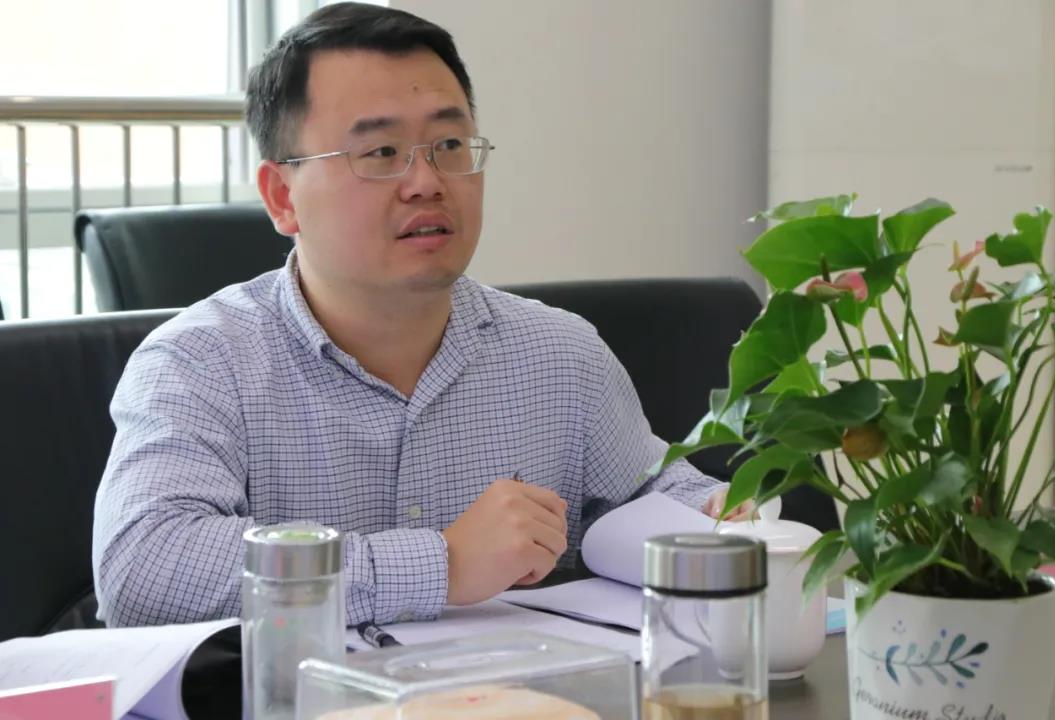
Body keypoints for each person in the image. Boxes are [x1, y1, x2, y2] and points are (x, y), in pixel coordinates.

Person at [92, 2, 739, 628]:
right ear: (282, 196)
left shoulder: (561, 354)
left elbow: (652, 495)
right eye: (381, 153)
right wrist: (442, 564)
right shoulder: (201, 362)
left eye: (449, 144)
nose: (427, 181)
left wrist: (723, 519)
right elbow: (144, 569)